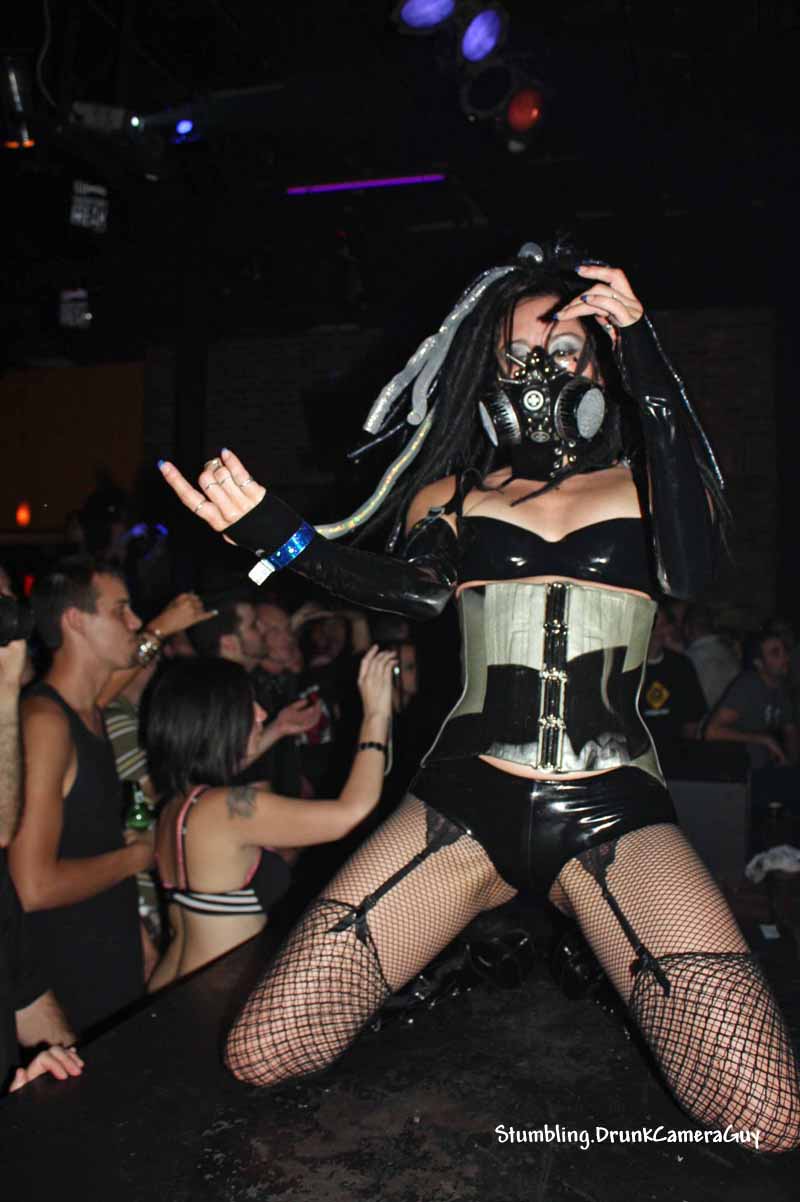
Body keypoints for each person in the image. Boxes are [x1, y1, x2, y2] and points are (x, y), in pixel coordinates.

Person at [160, 242, 800, 1151]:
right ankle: (460, 940)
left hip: (613, 811)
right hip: (462, 804)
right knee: (265, 1052)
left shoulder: (649, 482)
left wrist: (645, 347)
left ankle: (562, 940)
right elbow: (414, 594)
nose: (540, 372)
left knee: (767, 1116)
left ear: (603, 363)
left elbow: (690, 567)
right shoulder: (449, 496)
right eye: (518, 353)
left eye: (566, 348)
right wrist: (275, 532)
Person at [145, 647, 395, 989]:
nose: (262, 713)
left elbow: (219, 766)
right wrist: (376, 716)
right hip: (215, 995)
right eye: (249, 705)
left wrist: (277, 729)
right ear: (219, 719)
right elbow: (350, 815)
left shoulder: (176, 806)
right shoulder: (224, 809)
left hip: (173, 986)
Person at [9, 558, 154, 1033]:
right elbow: (32, 886)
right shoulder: (45, 724)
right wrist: (134, 860)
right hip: (67, 982)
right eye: (120, 610)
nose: (134, 622)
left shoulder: (89, 712)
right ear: (75, 620)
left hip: (110, 962)